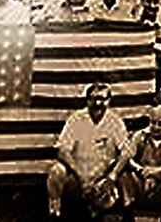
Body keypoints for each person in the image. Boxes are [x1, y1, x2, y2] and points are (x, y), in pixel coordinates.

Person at [47, 83, 127, 220]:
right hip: (77, 179)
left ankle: (96, 210)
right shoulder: (76, 119)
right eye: (93, 98)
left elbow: (126, 152)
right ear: (87, 100)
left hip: (102, 179)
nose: (97, 103)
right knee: (56, 171)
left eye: (102, 99)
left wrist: (112, 176)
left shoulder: (115, 122)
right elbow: (62, 150)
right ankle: (55, 212)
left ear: (109, 101)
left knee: (108, 198)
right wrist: (81, 178)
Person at [110, 106, 161, 217]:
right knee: (124, 174)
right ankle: (128, 212)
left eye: (160, 124)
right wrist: (139, 169)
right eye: (153, 122)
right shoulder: (139, 135)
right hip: (142, 180)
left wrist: (157, 170)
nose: (155, 127)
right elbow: (127, 156)